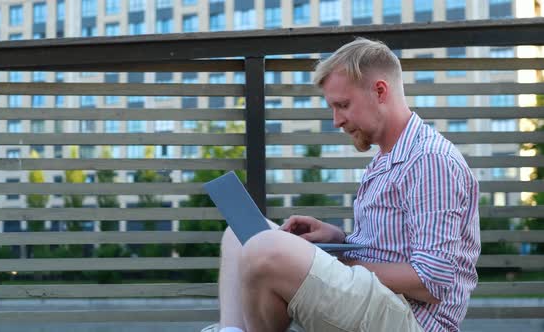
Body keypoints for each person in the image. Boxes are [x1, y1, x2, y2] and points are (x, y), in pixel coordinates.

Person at [204, 37, 481, 332]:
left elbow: (431, 281)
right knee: (239, 235)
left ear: (379, 91)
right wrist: (339, 239)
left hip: (412, 320)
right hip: (381, 302)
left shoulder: (429, 160)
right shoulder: (388, 159)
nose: (337, 120)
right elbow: (391, 249)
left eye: (343, 105)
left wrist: (334, 266)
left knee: (265, 247)